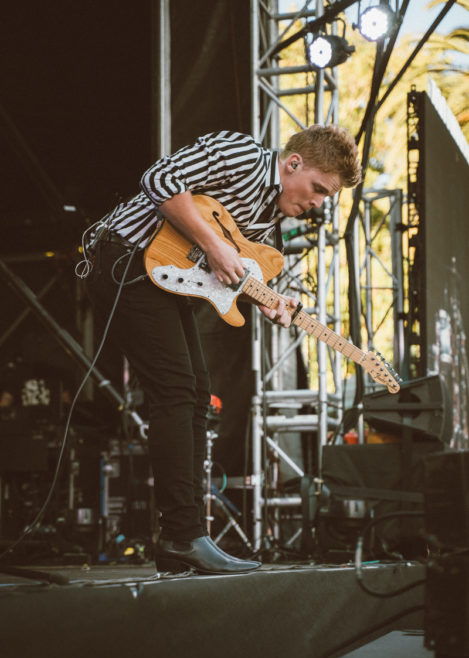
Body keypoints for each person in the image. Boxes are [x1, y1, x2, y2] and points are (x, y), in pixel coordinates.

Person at [82, 125, 361, 575]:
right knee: (176, 391)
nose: (319, 203)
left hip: (164, 279)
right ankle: (181, 536)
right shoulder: (241, 154)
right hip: (126, 258)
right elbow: (159, 179)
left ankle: (183, 537)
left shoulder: (268, 222)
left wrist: (267, 300)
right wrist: (214, 246)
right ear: (293, 164)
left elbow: (222, 273)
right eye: (318, 189)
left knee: (196, 396)